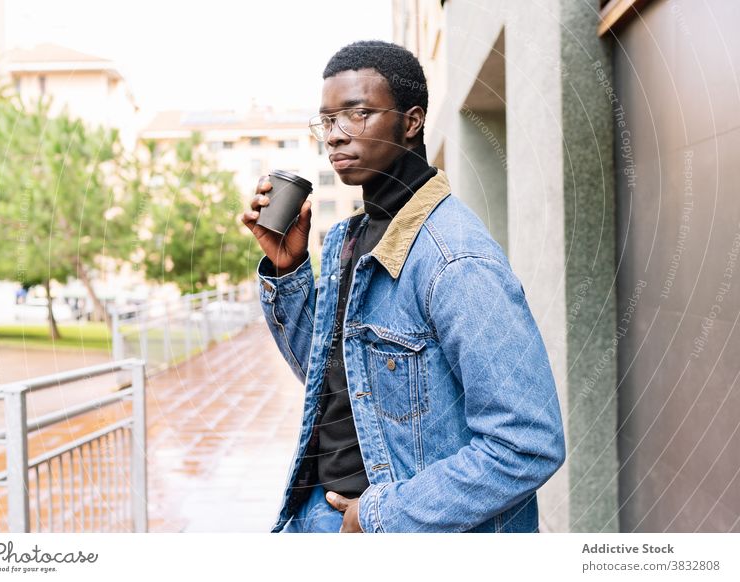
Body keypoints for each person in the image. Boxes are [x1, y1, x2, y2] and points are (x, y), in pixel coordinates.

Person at [242, 40, 566, 533]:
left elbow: (527, 442)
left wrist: (378, 517)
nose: (335, 136)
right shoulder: (349, 239)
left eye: (357, 113)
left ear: (411, 121)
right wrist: (286, 270)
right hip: (322, 515)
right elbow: (331, 378)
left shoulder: (455, 259)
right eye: (328, 120)